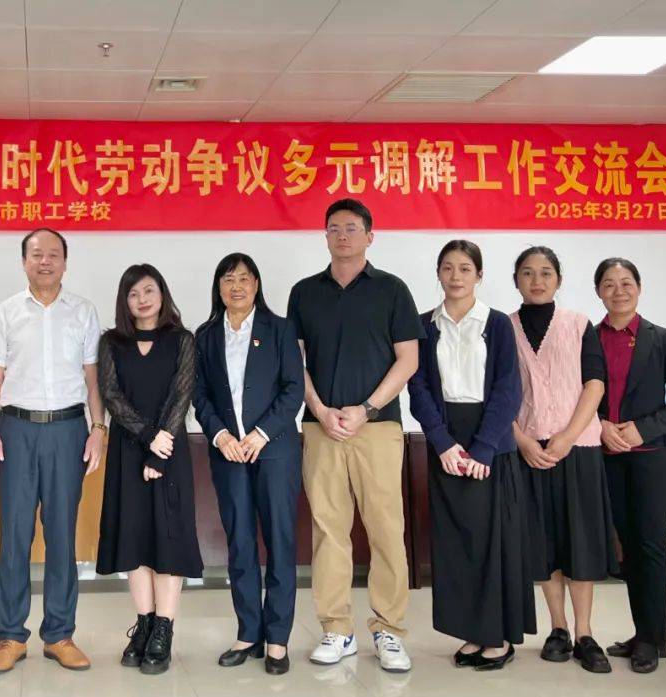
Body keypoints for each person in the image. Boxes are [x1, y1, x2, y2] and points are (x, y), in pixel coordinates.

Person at [287, 198, 423, 673]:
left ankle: (389, 630)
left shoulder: (392, 290)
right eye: (333, 228)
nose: (342, 235)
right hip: (320, 428)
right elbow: (295, 362)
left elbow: (408, 360)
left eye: (351, 228)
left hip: (378, 428)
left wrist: (366, 409)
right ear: (324, 236)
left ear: (370, 236)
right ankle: (337, 629)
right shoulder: (304, 292)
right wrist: (320, 410)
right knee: (329, 531)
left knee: (386, 531)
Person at [0, 227, 105, 674]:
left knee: (62, 534)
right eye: (36, 255)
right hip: (15, 430)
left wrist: (99, 427)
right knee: (14, 534)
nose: (45, 261)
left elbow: (93, 377)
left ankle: (59, 634)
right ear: (24, 262)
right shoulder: (7, 312)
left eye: (53, 254)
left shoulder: (83, 312)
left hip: (68, 430)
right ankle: (11, 636)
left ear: (65, 262)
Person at [406, 240, 534, 671]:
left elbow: (508, 389)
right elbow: (418, 387)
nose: (456, 276)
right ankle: (472, 632)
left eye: (465, 268)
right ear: (438, 274)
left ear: (479, 275)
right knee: (456, 543)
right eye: (448, 268)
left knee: (491, 542)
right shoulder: (424, 325)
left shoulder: (496, 324)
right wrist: (442, 443)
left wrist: (483, 448)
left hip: (490, 443)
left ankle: (497, 637)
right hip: (446, 441)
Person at [193, 253, 303, 675]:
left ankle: (278, 638)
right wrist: (221, 436)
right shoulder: (206, 335)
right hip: (229, 453)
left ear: (256, 285)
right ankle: (249, 632)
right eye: (228, 279)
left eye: (244, 278)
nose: (236, 286)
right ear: (218, 287)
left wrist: (261, 434)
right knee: (239, 541)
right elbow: (199, 394)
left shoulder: (280, 329)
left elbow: (293, 389)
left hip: (273, 450)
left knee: (279, 540)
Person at [510, 246, 614, 674]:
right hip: (528, 451)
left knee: (580, 540)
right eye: (528, 273)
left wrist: (568, 438)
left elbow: (595, 384)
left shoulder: (578, 324)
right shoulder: (503, 327)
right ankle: (558, 628)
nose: (537, 281)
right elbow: (497, 392)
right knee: (543, 540)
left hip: (579, 448)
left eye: (546, 273)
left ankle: (585, 632)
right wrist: (521, 440)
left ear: (558, 279)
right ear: (516, 280)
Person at [96, 264, 202, 676]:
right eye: (133, 293)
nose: (142, 299)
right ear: (124, 301)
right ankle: (143, 625)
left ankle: (163, 630)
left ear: (162, 294)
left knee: (168, 540)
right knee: (134, 538)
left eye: (148, 290)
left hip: (169, 454)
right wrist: (146, 437)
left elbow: (181, 396)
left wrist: (159, 452)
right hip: (128, 452)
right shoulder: (112, 342)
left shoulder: (182, 340)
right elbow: (111, 395)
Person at [593, 258, 666, 674]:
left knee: (650, 545)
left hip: (652, 457)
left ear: (639, 288)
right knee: (627, 548)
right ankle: (646, 633)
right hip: (606, 457)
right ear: (599, 292)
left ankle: (652, 638)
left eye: (626, 283)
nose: (619, 291)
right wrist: (601, 425)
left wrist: (643, 429)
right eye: (609, 284)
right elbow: (576, 396)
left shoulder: (663, 339)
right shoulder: (588, 339)